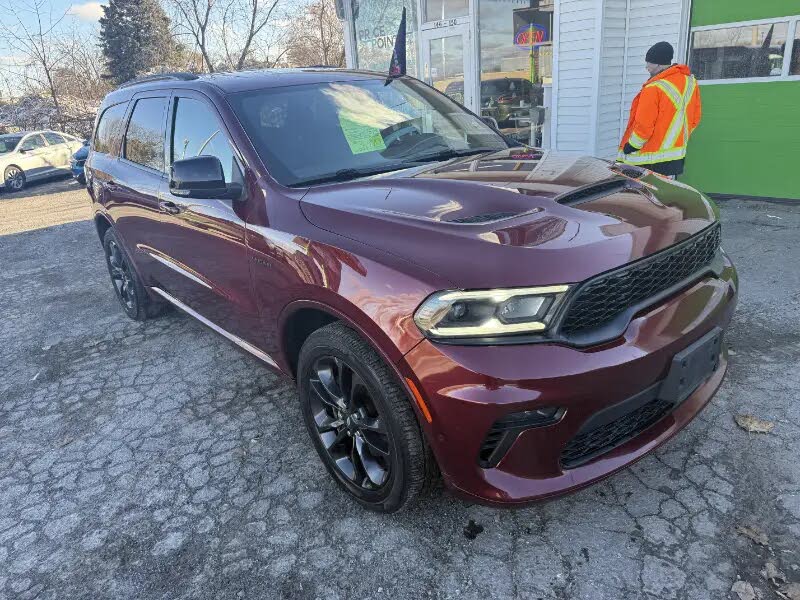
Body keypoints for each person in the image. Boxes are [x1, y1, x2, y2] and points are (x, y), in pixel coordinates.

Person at [618, 41, 701, 177]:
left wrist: (631, 146)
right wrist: (677, 138)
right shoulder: (690, 83)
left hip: (649, 159)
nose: (646, 67)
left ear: (657, 63)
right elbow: (695, 118)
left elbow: (644, 126)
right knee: (664, 192)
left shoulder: (653, 88)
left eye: (649, 63)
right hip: (675, 156)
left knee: (643, 195)